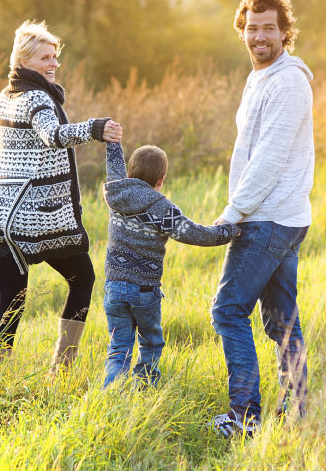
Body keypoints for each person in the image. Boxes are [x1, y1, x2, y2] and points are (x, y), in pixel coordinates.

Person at [0, 20, 122, 369]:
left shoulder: (6, 96)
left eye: (54, 57)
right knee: (82, 279)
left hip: (1, 217)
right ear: (23, 62)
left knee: (12, 299)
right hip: (37, 216)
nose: (53, 64)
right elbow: (51, 135)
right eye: (44, 58)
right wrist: (94, 128)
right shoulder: (37, 97)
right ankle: (63, 365)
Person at [210, 0, 315, 439]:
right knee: (280, 321)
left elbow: (269, 158)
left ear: (285, 32)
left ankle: (245, 418)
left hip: (270, 218)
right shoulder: (260, 78)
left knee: (228, 310)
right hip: (277, 216)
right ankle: (300, 413)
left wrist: (233, 213)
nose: (259, 36)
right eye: (252, 28)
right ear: (242, 32)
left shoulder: (289, 81)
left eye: (269, 28)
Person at [101, 141, 239, 387]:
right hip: (144, 291)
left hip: (114, 288)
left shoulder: (116, 192)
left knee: (119, 345)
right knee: (150, 342)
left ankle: (111, 395)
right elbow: (195, 234)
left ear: (129, 174)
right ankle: (144, 389)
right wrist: (230, 231)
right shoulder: (161, 208)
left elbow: (113, 165)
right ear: (161, 180)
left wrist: (114, 142)